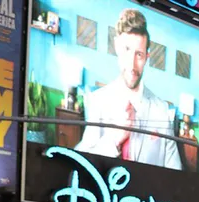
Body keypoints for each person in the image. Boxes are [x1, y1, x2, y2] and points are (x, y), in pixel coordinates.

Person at [75, 8, 180, 170]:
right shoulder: (98, 101)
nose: (132, 65)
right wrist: (115, 140)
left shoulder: (162, 110)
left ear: (147, 57)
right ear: (117, 47)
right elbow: (80, 163)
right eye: (127, 50)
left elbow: (175, 175)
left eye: (139, 55)